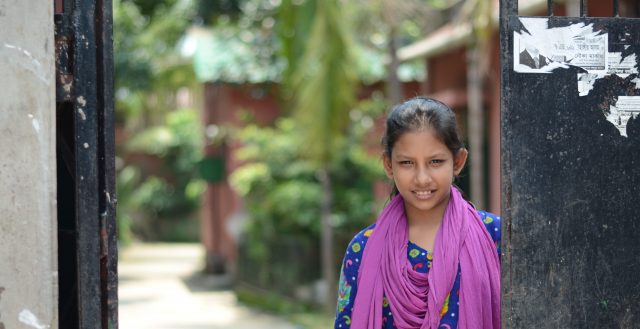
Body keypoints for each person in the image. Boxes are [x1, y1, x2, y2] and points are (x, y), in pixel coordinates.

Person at [334, 97, 501, 329]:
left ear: (458, 161)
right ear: (388, 164)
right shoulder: (362, 249)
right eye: (407, 163)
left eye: (435, 161)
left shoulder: (495, 236)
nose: (422, 178)